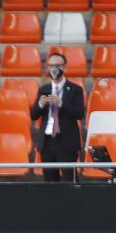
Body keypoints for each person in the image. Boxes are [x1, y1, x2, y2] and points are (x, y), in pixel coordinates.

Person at [31, 52, 85, 182]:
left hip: (66, 142)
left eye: (58, 65)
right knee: (50, 182)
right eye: (51, 66)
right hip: (47, 142)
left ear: (65, 67)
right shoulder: (43, 89)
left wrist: (61, 103)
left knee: (70, 181)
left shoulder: (75, 89)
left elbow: (79, 114)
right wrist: (40, 103)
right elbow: (33, 115)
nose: (54, 69)